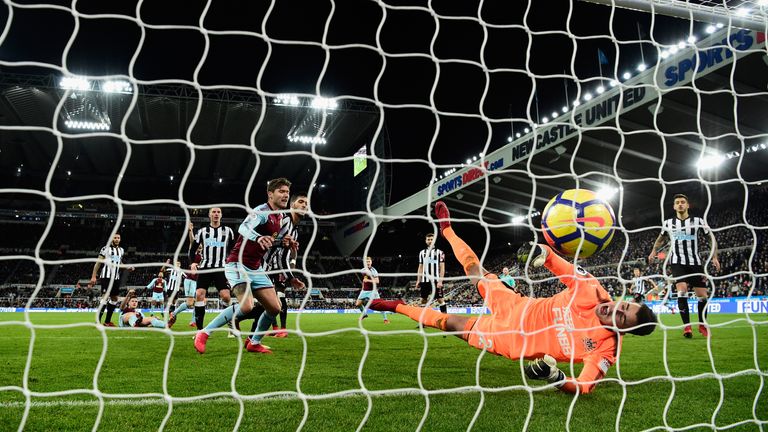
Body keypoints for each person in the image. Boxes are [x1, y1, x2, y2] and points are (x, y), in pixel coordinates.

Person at [369, 201, 657, 394]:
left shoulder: (606, 350)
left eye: (621, 317)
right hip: (515, 304)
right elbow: (558, 263)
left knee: (448, 323)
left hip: (508, 338)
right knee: (474, 269)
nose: (615, 309)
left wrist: (556, 379)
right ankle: (448, 230)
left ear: (624, 330)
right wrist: (541, 254)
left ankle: (396, 306)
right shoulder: (591, 289)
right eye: (624, 305)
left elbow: (583, 386)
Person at [194, 178, 291, 354]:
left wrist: (282, 242)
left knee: (275, 307)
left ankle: (254, 342)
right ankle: (204, 332)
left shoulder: (280, 217)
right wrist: (258, 237)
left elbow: (267, 241)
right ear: (270, 194)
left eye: (287, 192)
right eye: (281, 191)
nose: (285, 195)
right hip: (237, 264)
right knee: (246, 306)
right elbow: (243, 228)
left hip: (256, 267)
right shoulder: (260, 212)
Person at [237, 192, 309, 338]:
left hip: (266, 268)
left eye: (307, 204)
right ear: (292, 205)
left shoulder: (294, 232)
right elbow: (262, 236)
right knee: (269, 305)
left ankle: (250, 335)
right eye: (301, 202)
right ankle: (237, 322)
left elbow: (283, 257)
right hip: (254, 264)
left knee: (270, 306)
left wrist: (291, 275)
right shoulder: (282, 220)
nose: (304, 205)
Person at [648, 193, 720, 338]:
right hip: (677, 262)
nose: (680, 204)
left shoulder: (698, 221)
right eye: (677, 202)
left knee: (703, 297)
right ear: (674, 206)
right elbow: (660, 239)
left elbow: (711, 238)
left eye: (682, 202)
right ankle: (687, 327)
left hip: (695, 262)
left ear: (687, 205)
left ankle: (702, 324)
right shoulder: (668, 223)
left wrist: (714, 256)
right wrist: (653, 251)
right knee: (682, 292)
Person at [188, 208, 236, 331]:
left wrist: (233, 264)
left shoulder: (228, 231)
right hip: (205, 268)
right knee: (199, 295)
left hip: (221, 268)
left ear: (221, 215)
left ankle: (230, 322)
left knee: (226, 296)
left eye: (218, 212)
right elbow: (192, 250)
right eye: (213, 212)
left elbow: (234, 250)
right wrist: (193, 262)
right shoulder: (202, 231)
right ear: (209, 215)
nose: (216, 214)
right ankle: (200, 330)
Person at [89, 233, 135, 327]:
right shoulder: (105, 249)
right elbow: (98, 263)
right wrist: (94, 276)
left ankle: (107, 321)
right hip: (106, 276)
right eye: (115, 238)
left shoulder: (121, 250)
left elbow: (119, 262)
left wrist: (127, 267)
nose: (117, 239)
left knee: (114, 299)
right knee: (105, 298)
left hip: (116, 277)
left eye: (118, 238)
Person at [416, 233, 446, 312]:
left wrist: (440, 281)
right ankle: (422, 322)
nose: (430, 241)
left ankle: (445, 321)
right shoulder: (422, 253)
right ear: (426, 241)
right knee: (423, 300)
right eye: (428, 239)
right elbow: (420, 267)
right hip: (425, 280)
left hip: (436, 280)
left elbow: (442, 267)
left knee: (440, 300)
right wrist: (418, 280)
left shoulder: (440, 253)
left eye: (431, 239)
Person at [355, 256, 389, 323]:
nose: (368, 263)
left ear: (371, 262)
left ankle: (385, 319)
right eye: (366, 262)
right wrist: (363, 288)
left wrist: (368, 280)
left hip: (373, 291)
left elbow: (377, 281)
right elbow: (364, 280)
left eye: (369, 261)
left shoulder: (374, 271)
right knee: (358, 304)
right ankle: (364, 315)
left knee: (380, 305)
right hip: (364, 291)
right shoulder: (362, 270)